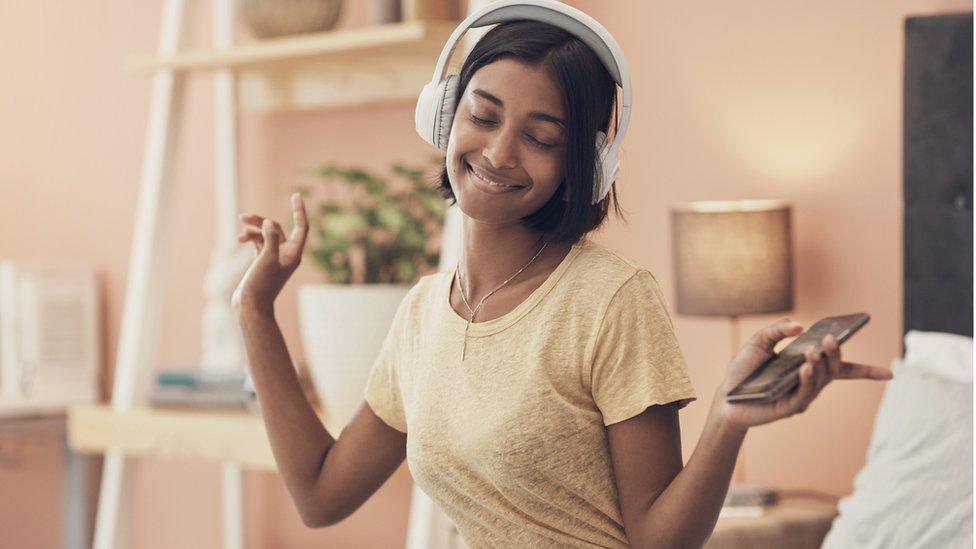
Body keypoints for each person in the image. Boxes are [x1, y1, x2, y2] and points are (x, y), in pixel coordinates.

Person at [232, 10, 894, 549]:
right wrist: (256, 311)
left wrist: (725, 421)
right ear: (444, 115)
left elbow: (657, 541)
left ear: (582, 166)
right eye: (483, 116)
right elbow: (321, 494)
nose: (497, 153)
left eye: (540, 137)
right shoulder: (422, 313)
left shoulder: (609, 301)